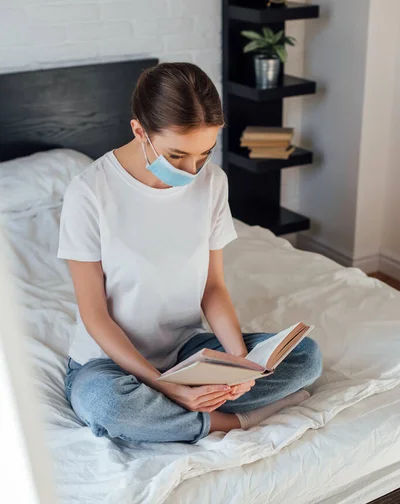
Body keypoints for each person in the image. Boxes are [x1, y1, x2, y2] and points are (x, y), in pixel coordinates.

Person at [57, 62, 323, 445]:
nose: (193, 169)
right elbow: (94, 316)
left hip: (188, 353)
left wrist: (242, 364)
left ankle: (197, 408)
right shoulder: (89, 193)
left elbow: (212, 288)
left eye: (204, 153)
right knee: (107, 406)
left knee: (306, 357)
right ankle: (235, 421)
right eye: (177, 155)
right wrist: (165, 387)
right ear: (139, 131)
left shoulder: (213, 182)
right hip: (110, 362)